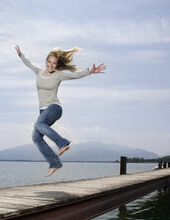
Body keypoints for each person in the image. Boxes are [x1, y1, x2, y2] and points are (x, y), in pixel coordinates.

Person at [15, 45, 106, 177]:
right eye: (49, 62)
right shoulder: (39, 72)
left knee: (38, 125)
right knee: (36, 137)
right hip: (43, 112)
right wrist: (21, 55)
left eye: (54, 63)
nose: (51, 65)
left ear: (57, 65)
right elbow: (29, 64)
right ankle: (54, 163)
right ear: (46, 61)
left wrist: (90, 71)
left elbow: (75, 75)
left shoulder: (58, 75)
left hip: (54, 108)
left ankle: (62, 143)